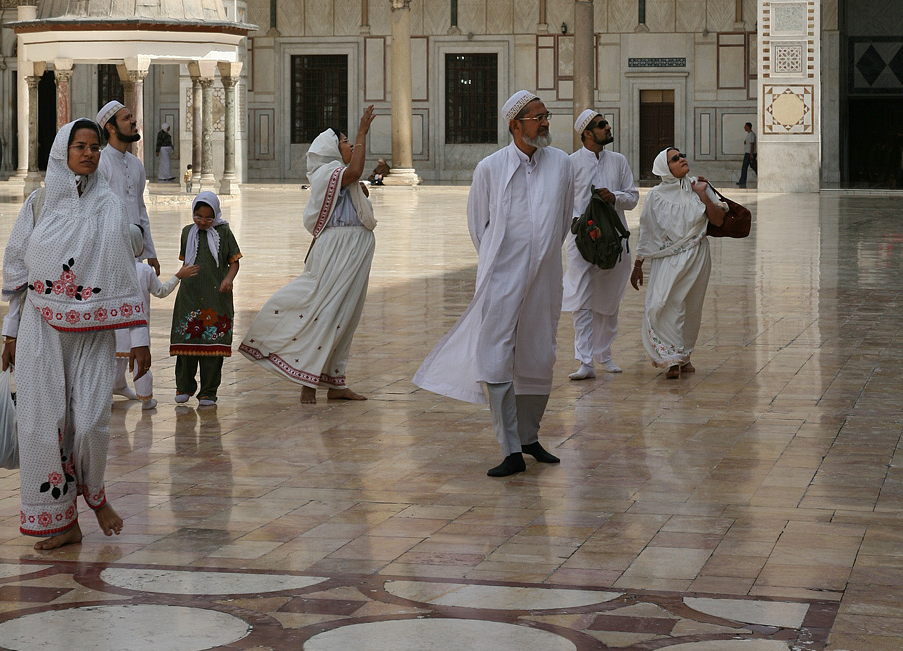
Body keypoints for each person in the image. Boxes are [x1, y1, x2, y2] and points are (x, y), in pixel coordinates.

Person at [0, 119, 150, 550]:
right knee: (43, 427)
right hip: (41, 329)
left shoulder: (110, 209)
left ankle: (96, 497)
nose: (88, 153)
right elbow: (20, 272)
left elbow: (124, 274)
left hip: (92, 332)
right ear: (62, 152)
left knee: (88, 425)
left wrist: (137, 335)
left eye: (94, 147)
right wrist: (10, 333)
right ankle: (61, 522)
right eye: (79, 146)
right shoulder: (39, 204)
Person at [413, 91, 574, 478]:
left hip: (545, 277)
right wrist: (501, 264)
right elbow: (477, 224)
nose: (545, 122)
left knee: (539, 352)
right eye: (536, 117)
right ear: (515, 125)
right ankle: (510, 448)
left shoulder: (562, 164)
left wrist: (542, 254)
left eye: (546, 115)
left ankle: (530, 437)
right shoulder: (489, 168)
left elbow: (564, 216)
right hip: (502, 277)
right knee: (497, 355)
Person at [240, 107, 377, 405]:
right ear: (331, 148)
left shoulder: (340, 176)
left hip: (354, 249)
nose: (349, 145)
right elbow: (354, 170)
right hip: (339, 250)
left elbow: (353, 180)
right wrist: (362, 131)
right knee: (325, 311)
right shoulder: (327, 172)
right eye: (344, 141)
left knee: (345, 316)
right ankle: (308, 383)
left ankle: (335, 382)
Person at [630, 148, 727, 381]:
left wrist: (703, 194)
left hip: (696, 256)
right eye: (675, 158)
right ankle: (670, 356)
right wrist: (638, 264)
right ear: (665, 168)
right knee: (662, 303)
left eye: (682, 155)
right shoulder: (655, 195)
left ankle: (682, 355)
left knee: (691, 307)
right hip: (667, 259)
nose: (682, 159)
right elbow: (647, 230)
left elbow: (718, 219)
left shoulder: (700, 186)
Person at [563, 109, 639, 380]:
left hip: (614, 242)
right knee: (581, 299)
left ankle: (604, 354)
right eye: (601, 125)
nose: (608, 128)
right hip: (581, 241)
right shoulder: (569, 163)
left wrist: (614, 197)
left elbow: (632, 197)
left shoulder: (618, 161)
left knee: (609, 300)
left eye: (606, 123)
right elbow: (562, 203)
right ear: (587, 133)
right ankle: (585, 360)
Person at [170, 191, 242, 409]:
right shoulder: (186, 233)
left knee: (213, 347)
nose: (202, 221)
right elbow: (186, 262)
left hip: (216, 297)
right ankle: (184, 387)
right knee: (186, 345)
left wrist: (228, 279)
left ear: (216, 214)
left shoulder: (224, 232)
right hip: (189, 297)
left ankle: (208, 391)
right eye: (198, 216)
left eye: (208, 217)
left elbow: (234, 262)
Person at [114, 225, 196, 409]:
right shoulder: (144, 271)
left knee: (114, 362)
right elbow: (161, 291)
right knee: (140, 362)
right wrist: (178, 276)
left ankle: (113, 390)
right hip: (139, 327)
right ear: (140, 247)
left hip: (115, 326)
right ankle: (145, 398)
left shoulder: (112, 270)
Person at [96, 100, 159, 274]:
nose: (133, 121)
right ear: (111, 128)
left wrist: (149, 251)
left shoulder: (136, 164)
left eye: (132, 117)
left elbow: (140, 210)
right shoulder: (101, 163)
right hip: (108, 252)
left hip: (135, 252)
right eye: (126, 118)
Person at [738, 122, 758, 188]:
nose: (744, 127)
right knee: (753, 167)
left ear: (748, 127)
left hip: (749, 153)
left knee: (745, 167)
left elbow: (752, 144)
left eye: (745, 126)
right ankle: (742, 180)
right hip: (749, 153)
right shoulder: (750, 134)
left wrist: (751, 154)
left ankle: (742, 181)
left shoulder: (751, 134)